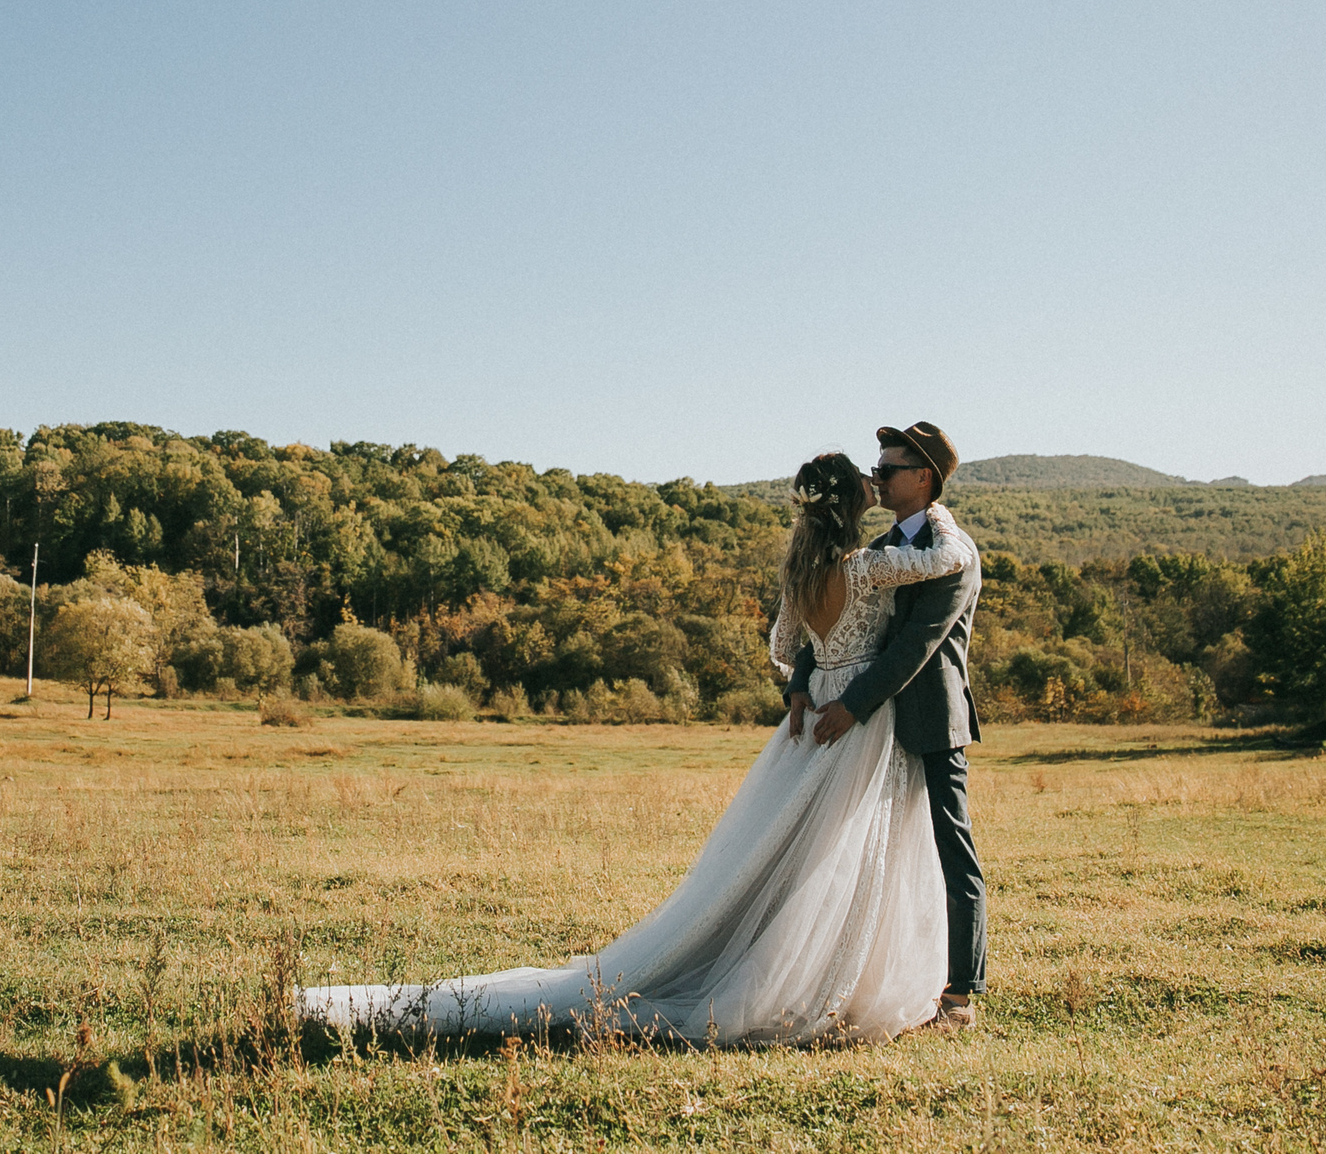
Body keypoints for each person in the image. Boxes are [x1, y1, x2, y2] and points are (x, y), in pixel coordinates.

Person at [298, 448, 975, 1047]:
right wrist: (944, 516)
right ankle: (819, 971)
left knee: (797, 851)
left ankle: (804, 960)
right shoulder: (869, 568)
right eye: (869, 477)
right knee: (835, 853)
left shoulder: (806, 569)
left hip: (810, 717)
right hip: (851, 717)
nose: (875, 479)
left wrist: (805, 682)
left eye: (883, 470)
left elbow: (791, 643)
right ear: (852, 505)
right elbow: (951, 556)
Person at [785, 422, 986, 1034]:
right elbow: (827, 615)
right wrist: (800, 679)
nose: (877, 473)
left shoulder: (953, 554)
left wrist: (853, 703)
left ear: (923, 477)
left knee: (951, 853)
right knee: (865, 857)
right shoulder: (876, 550)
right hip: (866, 735)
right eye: (875, 464)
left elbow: (915, 648)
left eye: (890, 466)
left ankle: (961, 995)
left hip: (924, 717)